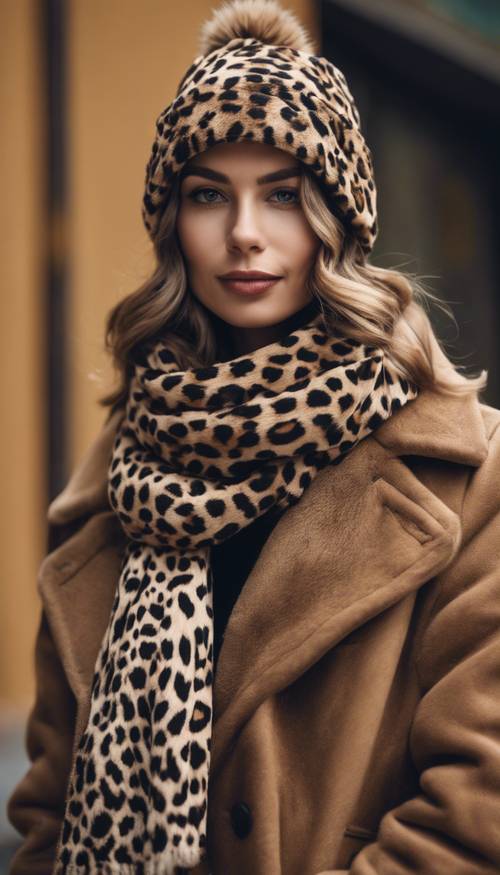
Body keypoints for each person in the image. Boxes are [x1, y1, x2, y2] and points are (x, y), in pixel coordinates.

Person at [7, 1, 500, 873]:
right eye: (209, 195)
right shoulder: (114, 482)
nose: (244, 233)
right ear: (174, 226)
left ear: (338, 218)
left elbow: (475, 814)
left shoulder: (468, 476)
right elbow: (50, 811)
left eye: (282, 194)